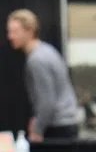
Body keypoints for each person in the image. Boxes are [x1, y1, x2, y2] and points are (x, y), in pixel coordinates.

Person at [6, 9, 79, 141]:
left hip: (57, 126)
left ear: (29, 31)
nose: (10, 36)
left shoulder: (37, 60)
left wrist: (37, 129)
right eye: (9, 32)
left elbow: (47, 100)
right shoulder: (47, 51)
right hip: (65, 121)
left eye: (15, 32)